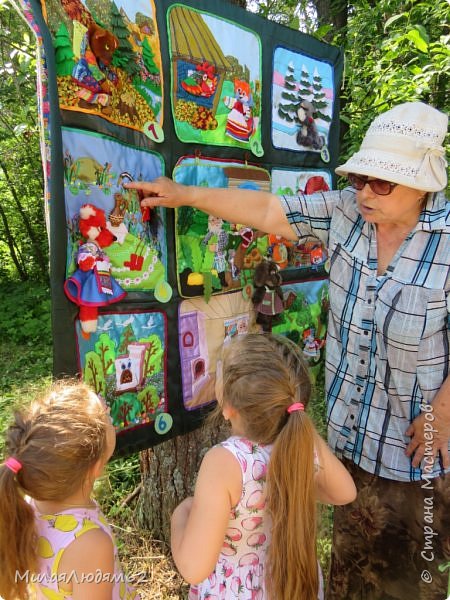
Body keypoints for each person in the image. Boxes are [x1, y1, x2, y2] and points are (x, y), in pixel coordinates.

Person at [126, 101, 450, 599]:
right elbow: (266, 210)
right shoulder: (345, 212)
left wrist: (446, 409)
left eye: (381, 183)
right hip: (347, 444)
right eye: (360, 176)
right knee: (350, 571)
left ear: (424, 184)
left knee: (411, 580)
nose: (364, 191)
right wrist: (185, 193)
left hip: (417, 450)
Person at [170, 333, 356, 600]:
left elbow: (193, 568)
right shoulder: (299, 446)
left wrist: (180, 515)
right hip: (293, 587)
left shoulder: (224, 463)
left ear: (228, 407)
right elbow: (345, 492)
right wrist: (299, 420)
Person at [0, 380, 139, 600]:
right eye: (107, 417)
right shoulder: (90, 545)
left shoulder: (27, 503)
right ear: (93, 468)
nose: (109, 411)